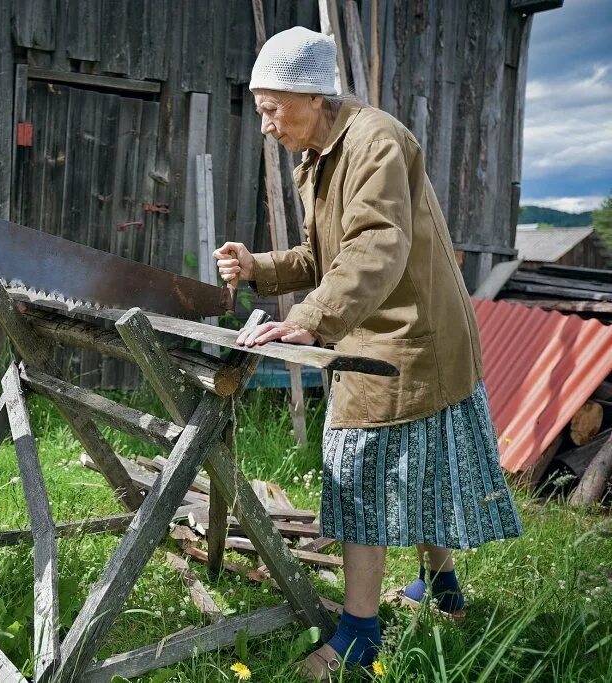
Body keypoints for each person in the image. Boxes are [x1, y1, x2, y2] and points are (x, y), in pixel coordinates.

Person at [213, 26, 522, 681]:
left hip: (408, 336)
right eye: (260, 108)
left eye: (273, 108)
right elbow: (320, 256)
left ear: (313, 95)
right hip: (382, 328)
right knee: (421, 467)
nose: (265, 124)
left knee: (360, 479)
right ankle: (444, 595)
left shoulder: (375, 142)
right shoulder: (319, 156)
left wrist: (307, 319)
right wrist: (258, 266)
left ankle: (357, 638)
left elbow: (373, 249)